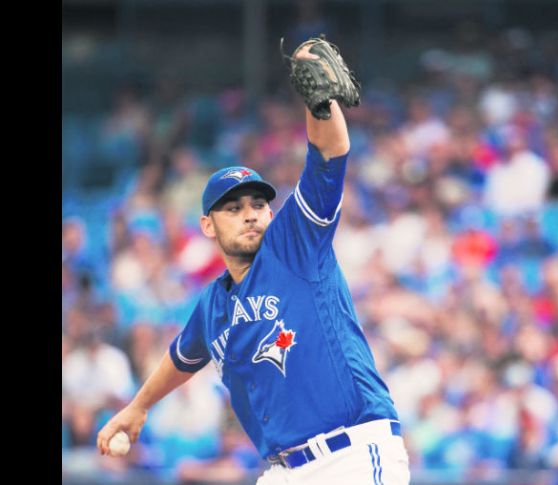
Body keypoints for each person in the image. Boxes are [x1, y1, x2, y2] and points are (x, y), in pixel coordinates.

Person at [96, 39, 410, 485]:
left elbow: (330, 153)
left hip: (352, 456)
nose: (249, 212)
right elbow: (182, 358)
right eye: (233, 207)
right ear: (208, 225)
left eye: (258, 204)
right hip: (283, 471)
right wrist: (139, 406)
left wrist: (319, 104)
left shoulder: (294, 244)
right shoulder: (213, 306)